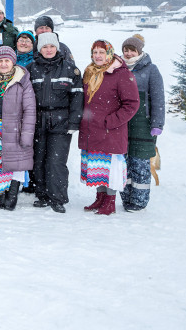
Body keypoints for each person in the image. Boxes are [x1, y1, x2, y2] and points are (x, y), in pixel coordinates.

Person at [79, 40, 140, 216]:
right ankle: (100, 198)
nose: (98, 56)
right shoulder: (90, 72)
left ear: (110, 54)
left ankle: (110, 202)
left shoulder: (121, 74)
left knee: (111, 168)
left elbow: (132, 104)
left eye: (102, 52)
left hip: (110, 130)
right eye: (95, 52)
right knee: (97, 166)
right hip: (92, 129)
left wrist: (111, 122)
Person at [26, 33, 83, 213]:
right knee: (39, 160)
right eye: (45, 47)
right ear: (39, 49)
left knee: (56, 161)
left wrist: (74, 122)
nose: (49, 50)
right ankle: (42, 195)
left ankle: (57, 198)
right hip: (37, 120)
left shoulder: (70, 69)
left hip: (61, 121)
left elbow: (77, 97)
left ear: (57, 48)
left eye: (52, 46)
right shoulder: (30, 69)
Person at [0, 47, 36, 211]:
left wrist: (26, 135)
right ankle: (1, 194)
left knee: (15, 164)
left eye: (7, 60)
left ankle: (12, 195)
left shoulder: (22, 81)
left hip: (14, 130)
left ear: (13, 62)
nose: (4, 64)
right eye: (0, 61)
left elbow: (30, 110)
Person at [120, 34, 165, 212]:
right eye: (126, 50)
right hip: (122, 124)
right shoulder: (119, 68)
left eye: (132, 50)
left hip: (143, 125)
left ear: (139, 51)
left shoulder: (151, 70)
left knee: (140, 164)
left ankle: (139, 201)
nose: (128, 53)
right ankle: (126, 197)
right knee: (124, 164)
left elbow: (158, 99)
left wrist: (157, 124)